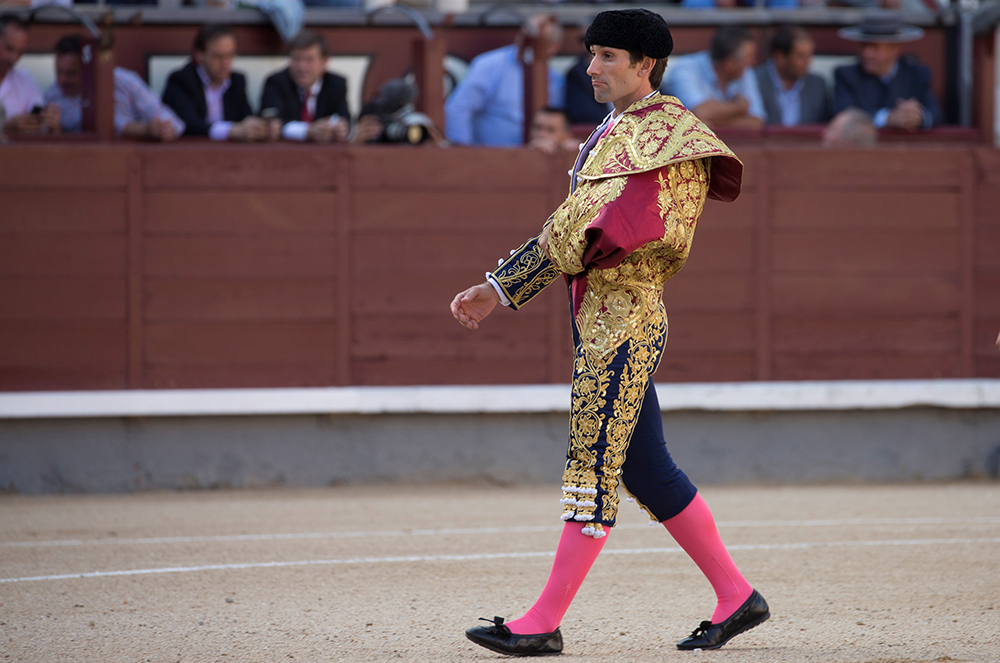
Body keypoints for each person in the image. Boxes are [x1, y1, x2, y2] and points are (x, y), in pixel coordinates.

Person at [452, 8, 768, 657]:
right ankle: (737, 595)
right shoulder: (617, 128)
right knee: (647, 470)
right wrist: (499, 287)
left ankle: (542, 620)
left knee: (593, 461)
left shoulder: (670, 136)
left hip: (623, 320)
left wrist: (514, 281)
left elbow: (629, 232)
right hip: (598, 316)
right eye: (591, 54)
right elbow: (571, 224)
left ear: (644, 64)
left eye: (606, 57)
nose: (591, 68)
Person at [444, 14, 565, 146]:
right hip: (488, 157)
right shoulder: (490, 65)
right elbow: (459, 109)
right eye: (525, 36)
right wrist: (464, 151)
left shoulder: (556, 81)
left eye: (536, 41)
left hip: (536, 156)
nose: (526, 44)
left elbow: (557, 125)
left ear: (554, 47)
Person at [43, 34, 184, 141]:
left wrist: (162, 129)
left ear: (90, 69)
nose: (62, 80)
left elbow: (173, 123)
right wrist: (54, 130)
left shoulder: (124, 81)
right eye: (58, 72)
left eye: (71, 73)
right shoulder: (53, 96)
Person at [833, 14, 943, 130]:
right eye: (864, 46)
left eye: (874, 47)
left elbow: (935, 113)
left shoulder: (917, 74)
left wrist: (918, 116)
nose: (866, 54)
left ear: (894, 49)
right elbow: (844, 114)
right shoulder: (847, 75)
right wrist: (887, 118)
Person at [161, 24, 266, 141]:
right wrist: (231, 131)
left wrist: (257, 127)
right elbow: (187, 124)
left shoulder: (237, 80)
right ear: (199, 55)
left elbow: (245, 117)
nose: (225, 63)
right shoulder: (181, 80)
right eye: (218, 56)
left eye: (230, 55)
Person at [662, 25, 765, 130]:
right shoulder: (685, 69)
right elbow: (700, 112)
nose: (752, 63)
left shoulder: (746, 71)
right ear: (729, 64)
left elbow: (757, 122)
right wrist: (741, 107)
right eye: (748, 59)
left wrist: (713, 124)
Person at [259, 30, 349, 143]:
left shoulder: (336, 84)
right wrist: (308, 131)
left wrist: (340, 129)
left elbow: (345, 120)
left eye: (309, 60)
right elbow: (273, 124)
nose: (302, 67)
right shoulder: (276, 82)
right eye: (297, 59)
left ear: (324, 62)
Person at [755, 25, 831, 126]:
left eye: (809, 55)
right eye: (801, 56)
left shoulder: (817, 85)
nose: (807, 62)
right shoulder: (755, 81)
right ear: (780, 57)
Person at [0, 14, 59, 136]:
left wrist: (50, 122)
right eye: (9, 49)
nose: (14, 58)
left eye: (20, 52)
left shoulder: (25, 80)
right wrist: (4, 129)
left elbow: (42, 128)